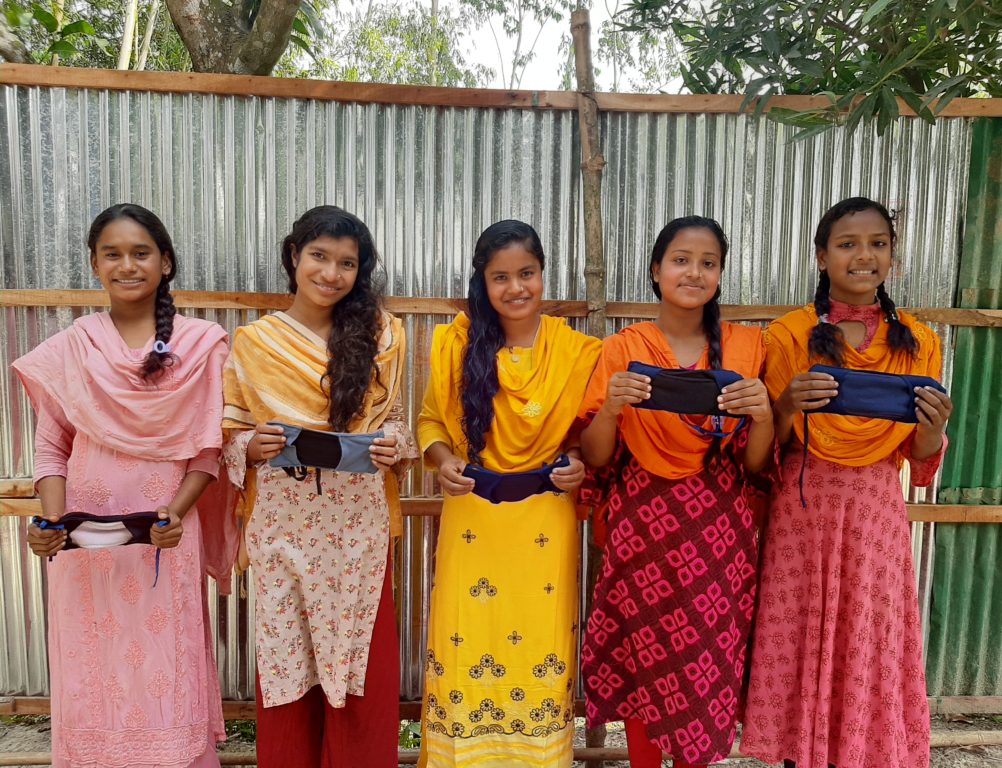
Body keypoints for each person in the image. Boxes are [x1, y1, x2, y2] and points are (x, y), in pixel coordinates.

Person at [13, 203, 230, 768]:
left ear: (166, 263)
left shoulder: (201, 343)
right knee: (93, 671)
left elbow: (209, 447)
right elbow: (52, 446)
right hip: (87, 544)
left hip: (165, 536)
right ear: (94, 263)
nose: (127, 265)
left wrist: (175, 514)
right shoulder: (74, 347)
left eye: (141, 253)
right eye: (112, 253)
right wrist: (55, 525)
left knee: (166, 663)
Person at [740, 197, 953, 768]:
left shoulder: (919, 341)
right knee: (802, 641)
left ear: (893, 256)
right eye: (848, 244)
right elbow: (763, 449)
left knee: (867, 642)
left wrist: (933, 429)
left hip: (876, 519)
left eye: (878, 243)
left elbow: (922, 461)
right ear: (821, 256)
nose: (864, 255)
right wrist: (785, 404)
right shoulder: (788, 336)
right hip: (802, 517)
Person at [220, 205, 417, 768]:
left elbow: (399, 429)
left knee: (360, 668)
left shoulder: (384, 337)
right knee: (288, 668)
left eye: (347, 263)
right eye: (319, 257)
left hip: (358, 529)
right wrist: (248, 448)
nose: (332, 273)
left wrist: (392, 447)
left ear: (361, 271)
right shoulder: (255, 344)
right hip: (283, 525)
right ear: (293, 257)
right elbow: (230, 435)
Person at [577, 216, 774, 767]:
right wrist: (613, 406)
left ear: (720, 275)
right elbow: (595, 456)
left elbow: (757, 467)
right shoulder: (623, 348)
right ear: (655, 271)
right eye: (681, 260)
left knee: (704, 663)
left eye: (708, 263)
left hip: (719, 538)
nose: (694, 272)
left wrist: (760, 416)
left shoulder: (746, 347)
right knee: (645, 663)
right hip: (643, 532)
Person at [416, 220, 602, 767]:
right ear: (483, 280)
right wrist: (444, 460)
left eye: (527, 273)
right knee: (463, 643)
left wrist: (580, 463)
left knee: (540, 652)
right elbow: (430, 422)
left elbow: (594, 439)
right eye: (501, 277)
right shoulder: (455, 343)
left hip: (545, 523)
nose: (516, 288)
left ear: (544, 273)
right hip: (472, 519)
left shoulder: (580, 352)